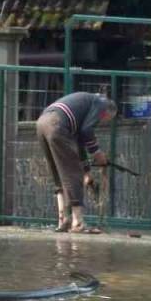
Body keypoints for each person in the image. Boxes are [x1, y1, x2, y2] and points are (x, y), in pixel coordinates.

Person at [35, 91, 117, 234]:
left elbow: (80, 142)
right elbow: (87, 131)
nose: (102, 122)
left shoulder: (85, 106)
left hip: (42, 123)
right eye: (107, 120)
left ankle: (63, 220)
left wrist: (87, 171)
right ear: (107, 113)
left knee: (58, 173)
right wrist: (97, 153)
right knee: (73, 174)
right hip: (57, 124)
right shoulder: (101, 104)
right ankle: (78, 222)